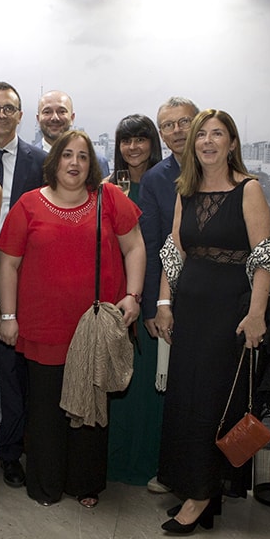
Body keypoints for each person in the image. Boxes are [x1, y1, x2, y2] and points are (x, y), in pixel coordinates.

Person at [0, 130, 145, 508]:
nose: (74, 163)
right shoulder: (28, 204)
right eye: (67, 155)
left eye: (82, 156)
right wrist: (8, 315)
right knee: (46, 412)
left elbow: (135, 247)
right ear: (54, 161)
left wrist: (133, 295)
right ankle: (45, 485)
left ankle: (84, 484)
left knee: (90, 409)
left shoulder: (109, 198)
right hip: (44, 327)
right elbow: (8, 264)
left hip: (95, 328)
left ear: (91, 163)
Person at [154, 109, 270, 535]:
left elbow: (263, 257)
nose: (207, 141)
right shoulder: (185, 191)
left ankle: (201, 496)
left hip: (229, 314)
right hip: (189, 312)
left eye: (217, 134)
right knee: (187, 401)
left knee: (212, 403)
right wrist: (164, 303)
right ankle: (196, 486)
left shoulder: (249, 189)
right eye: (201, 134)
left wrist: (256, 314)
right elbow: (174, 251)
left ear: (232, 143)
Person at [0, 81, 45, 489]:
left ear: (20, 115)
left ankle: (11, 451)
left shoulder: (42, 161)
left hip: (23, 277)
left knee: (15, 371)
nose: (1, 114)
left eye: (9, 108)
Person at [137, 96, 199, 494]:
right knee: (175, 391)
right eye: (168, 125)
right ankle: (174, 471)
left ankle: (207, 478)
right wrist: (152, 305)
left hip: (217, 296)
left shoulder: (224, 172)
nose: (177, 131)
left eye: (184, 122)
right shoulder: (156, 179)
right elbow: (150, 246)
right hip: (170, 298)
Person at [103, 114, 165, 485]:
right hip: (115, 294)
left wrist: (160, 300)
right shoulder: (108, 187)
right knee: (116, 377)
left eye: (141, 139)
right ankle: (112, 461)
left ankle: (147, 462)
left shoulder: (167, 184)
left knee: (148, 382)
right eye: (126, 141)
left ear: (152, 143)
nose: (133, 147)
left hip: (155, 293)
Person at [35, 90, 110, 176]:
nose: (54, 118)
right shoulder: (28, 161)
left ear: (72, 118)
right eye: (47, 112)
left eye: (62, 112)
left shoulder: (97, 161)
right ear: (38, 118)